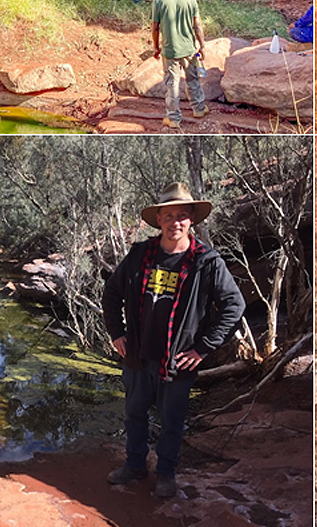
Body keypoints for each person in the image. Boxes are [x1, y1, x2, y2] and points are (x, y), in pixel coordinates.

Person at [101, 182, 245, 500]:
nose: (175, 222)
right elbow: (111, 292)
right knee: (134, 414)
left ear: (191, 219)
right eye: (169, 215)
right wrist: (117, 332)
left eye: (182, 215)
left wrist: (204, 348)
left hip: (178, 360)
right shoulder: (140, 255)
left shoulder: (206, 262)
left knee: (172, 421)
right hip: (138, 354)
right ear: (159, 220)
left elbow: (234, 305)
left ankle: (166, 474)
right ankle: (135, 465)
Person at [151, 0, 208, 129]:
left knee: (172, 85)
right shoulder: (190, 0)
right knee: (193, 80)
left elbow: (155, 27)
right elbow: (197, 25)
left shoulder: (159, 1)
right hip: (189, 49)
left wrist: (156, 47)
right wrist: (202, 45)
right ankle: (199, 109)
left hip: (170, 51)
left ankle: (174, 119)